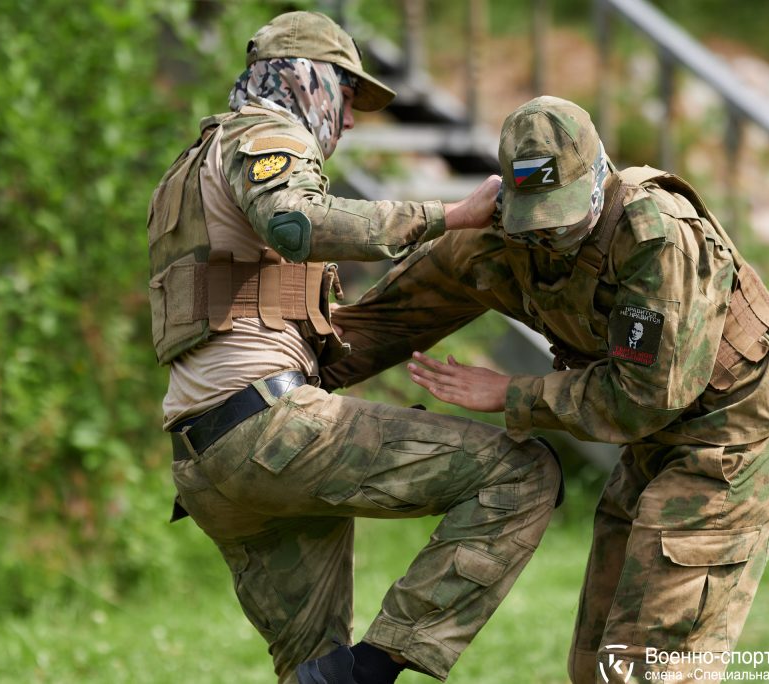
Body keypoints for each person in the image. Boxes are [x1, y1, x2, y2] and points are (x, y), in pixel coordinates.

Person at [321, 96, 769, 683]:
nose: (550, 234)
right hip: (653, 445)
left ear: (599, 177)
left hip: (731, 440)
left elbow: (647, 396)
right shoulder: (502, 236)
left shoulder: (657, 237)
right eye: (535, 218)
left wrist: (512, 394)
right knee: (596, 665)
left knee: (649, 665)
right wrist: (281, 376)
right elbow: (390, 319)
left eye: (564, 214)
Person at [146, 13, 562, 684]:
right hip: (268, 432)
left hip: (206, 464)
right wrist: (447, 218)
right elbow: (295, 221)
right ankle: (376, 665)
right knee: (523, 474)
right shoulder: (266, 133)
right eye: (345, 93)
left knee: (310, 674)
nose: (347, 119)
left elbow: (237, 296)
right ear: (303, 78)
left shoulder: (188, 170)